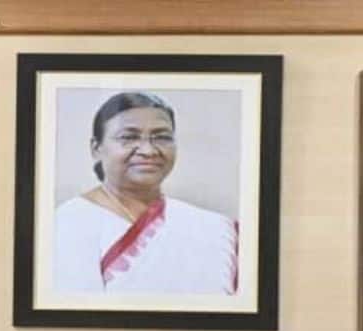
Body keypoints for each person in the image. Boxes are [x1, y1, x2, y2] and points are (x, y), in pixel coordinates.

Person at [53, 91, 238, 295]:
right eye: (129, 137)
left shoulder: (214, 229)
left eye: (162, 137)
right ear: (96, 149)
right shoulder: (68, 223)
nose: (148, 151)